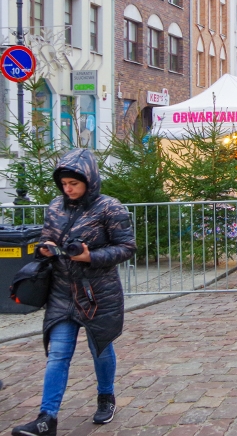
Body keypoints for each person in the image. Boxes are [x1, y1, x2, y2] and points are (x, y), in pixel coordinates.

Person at [14, 150, 136, 436]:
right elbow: (48, 236)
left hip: (98, 293)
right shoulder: (56, 206)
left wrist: (89, 257)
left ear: (89, 181)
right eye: (64, 184)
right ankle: (47, 418)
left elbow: (127, 247)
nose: (68, 189)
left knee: (100, 349)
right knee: (58, 353)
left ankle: (106, 396)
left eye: (74, 184)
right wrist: (44, 247)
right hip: (61, 291)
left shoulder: (110, 207)